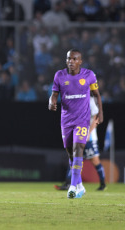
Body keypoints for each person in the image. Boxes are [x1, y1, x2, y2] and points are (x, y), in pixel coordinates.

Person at [49, 49, 103, 199]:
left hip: (82, 119)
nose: (71, 61)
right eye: (68, 59)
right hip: (66, 120)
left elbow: (97, 95)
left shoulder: (89, 75)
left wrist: (100, 113)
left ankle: (72, 187)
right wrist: (51, 102)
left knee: (78, 147)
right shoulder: (59, 75)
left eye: (74, 59)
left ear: (80, 61)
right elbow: (54, 95)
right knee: (70, 153)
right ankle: (79, 185)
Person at [54, 96, 106, 191]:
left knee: (94, 160)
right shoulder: (77, 100)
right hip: (79, 135)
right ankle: (68, 183)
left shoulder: (90, 100)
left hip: (90, 138)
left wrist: (88, 133)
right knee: (74, 158)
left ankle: (103, 184)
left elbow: (96, 119)